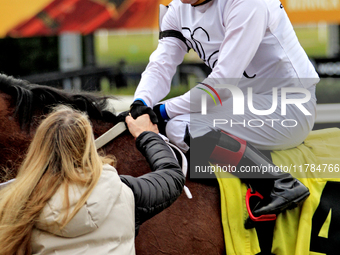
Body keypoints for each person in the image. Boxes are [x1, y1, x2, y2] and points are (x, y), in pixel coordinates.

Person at [129, 0, 320, 218]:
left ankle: (279, 183)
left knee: (179, 126)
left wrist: (161, 111)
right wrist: (141, 102)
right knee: (174, 121)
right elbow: (161, 64)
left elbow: (221, 86)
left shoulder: (247, 3)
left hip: (288, 107)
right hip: (243, 102)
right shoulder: (176, 9)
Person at [0, 105, 185, 255]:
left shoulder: (15, 203)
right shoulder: (124, 192)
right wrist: (147, 135)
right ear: (89, 146)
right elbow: (172, 176)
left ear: (39, 148)